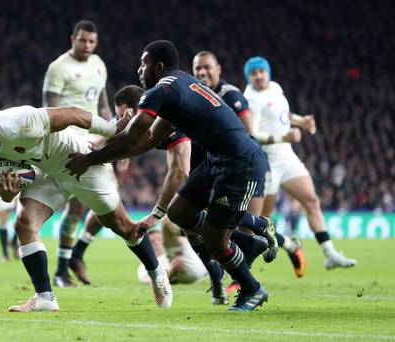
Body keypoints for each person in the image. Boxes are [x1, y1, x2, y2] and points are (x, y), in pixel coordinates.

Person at [66, 40, 273, 311]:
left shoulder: (160, 91)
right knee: (179, 213)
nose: (139, 69)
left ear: (159, 66)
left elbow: (132, 138)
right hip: (217, 160)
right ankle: (249, 241)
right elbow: (150, 138)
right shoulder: (180, 83)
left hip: (239, 163)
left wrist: (89, 160)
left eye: (144, 63)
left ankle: (252, 288)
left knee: (214, 239)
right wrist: (108, 155)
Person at [0, 105, 171, 312]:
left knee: (123, 227)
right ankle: (45, 297)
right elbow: (7, 196)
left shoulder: (21, 122)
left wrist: (112, 131)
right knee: (24, 224)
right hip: (45, 172)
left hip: (78, 161)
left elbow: (73, 114)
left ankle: (156, 272)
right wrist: (8, 192)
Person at [69, 85, 209, 289]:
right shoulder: (136, 120)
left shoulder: (169, 120)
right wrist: (110, 150)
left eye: (126, 115)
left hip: (210, 160)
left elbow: (180, 171)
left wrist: (156, 214)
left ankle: (230, 257)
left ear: (140, 111)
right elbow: (113, 133)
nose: (122, 120)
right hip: (197, 166)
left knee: (193, 218)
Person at [192, 51, 306, 287]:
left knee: (241, 225)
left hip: (245, 168)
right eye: (197, 69)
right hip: (218, 169)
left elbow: (249, 135)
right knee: (225, 222)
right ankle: (289, 245)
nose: (202, 73)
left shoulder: (231, 95)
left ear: (218, 69)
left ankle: (242, 280)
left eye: (207, 68)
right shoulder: (197, 96)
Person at [243, 56, 357, 270]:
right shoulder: (251, 99)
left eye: (261, 72)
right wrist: (282, 138)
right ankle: (249, 267)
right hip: (267, 162)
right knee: (261, 219)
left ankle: (329, 253)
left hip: (287, 156)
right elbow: (252, 134)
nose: (258, 76)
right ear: (249, 78)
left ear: (268, 72)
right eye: (253, 73)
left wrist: (301, 121)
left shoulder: (275, 88)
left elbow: (282, 115)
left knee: (311, 200)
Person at [42, 20, 112, 288]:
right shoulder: (58, 68)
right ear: (73, 38)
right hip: (70, 143)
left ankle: (75, 256)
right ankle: (61, 269)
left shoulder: (98, 64)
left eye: (92, 42)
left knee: (106, 207)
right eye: (83, 40)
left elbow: (103, 105)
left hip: (97, 142)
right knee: (74, 207)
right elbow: (50, 111)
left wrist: (115, 137)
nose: (87, 46)